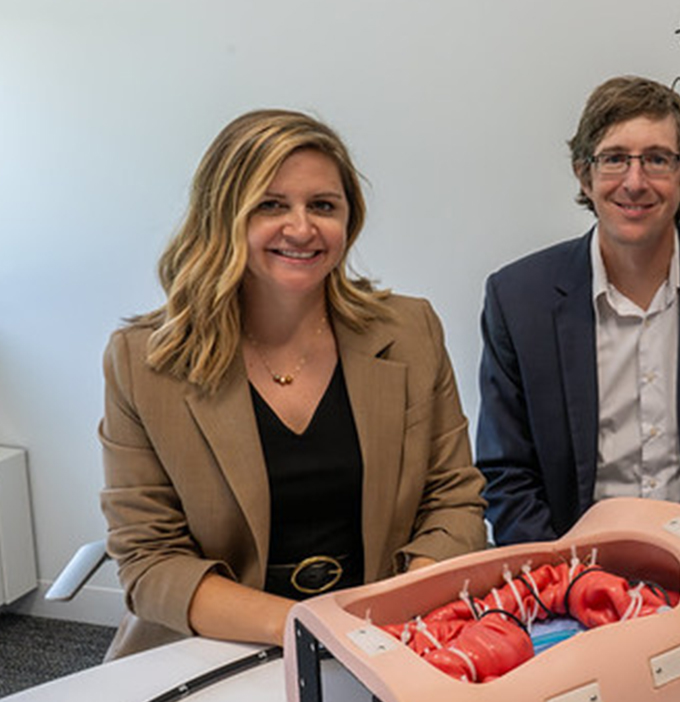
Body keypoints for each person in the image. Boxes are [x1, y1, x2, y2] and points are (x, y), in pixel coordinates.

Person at [100, 109, 486, 658]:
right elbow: (151, 560)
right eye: (271, 205)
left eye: (323, 206)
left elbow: (454, 501)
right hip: (212, 648)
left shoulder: (410, 331)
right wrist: (317, 628)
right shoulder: (144, 361)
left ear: (349, 220)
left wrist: (388, 617)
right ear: (223, 215)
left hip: (388, 637)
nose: (302, 228)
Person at [476, 76, 680, 570]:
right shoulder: (518, 298)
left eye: (657, 159)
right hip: (571, 573)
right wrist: (566, 576)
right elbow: (507, 473)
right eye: (614, 159)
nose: (634, 181)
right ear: (583, 176)